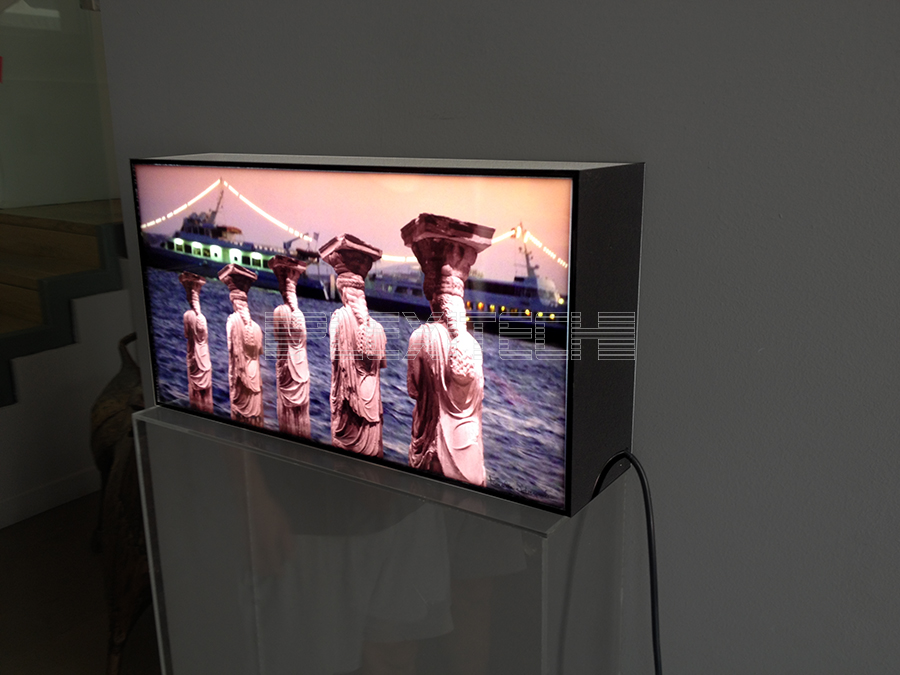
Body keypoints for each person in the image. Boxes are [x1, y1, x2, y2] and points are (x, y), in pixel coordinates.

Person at [401, 214, 494, 486]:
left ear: (434, 299)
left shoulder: (421, 337)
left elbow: (413, 390)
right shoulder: (474, 347)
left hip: (436, 458)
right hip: (471, 459)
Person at [320, 234, 387, 457]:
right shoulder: (378, 328)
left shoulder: (339, 318)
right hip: (373, 409)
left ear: (344, 292)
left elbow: (335, 365)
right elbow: (378, 368)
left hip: (350, 409)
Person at [267, 255, 311, 438]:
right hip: (302, 371)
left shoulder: (280, 311)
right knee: (301, 419)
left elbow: (278, 337)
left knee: (287, 419)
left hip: (287, 369)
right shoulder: (300, 315)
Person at [218, 263, 264, 427]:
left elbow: (234, 356)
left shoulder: (232, 321)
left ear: (234, 301)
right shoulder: (257, 327)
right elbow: (259, 352)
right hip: (255, 379)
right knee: (256, 421)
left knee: (241, 424)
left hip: (241, 380)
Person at [178, 271, 213, 412]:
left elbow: (187, 335)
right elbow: (205, 336)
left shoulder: (187, 315)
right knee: (206, 395)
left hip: (193, 357)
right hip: (204, 358)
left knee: (195, 396)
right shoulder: (202, 318)